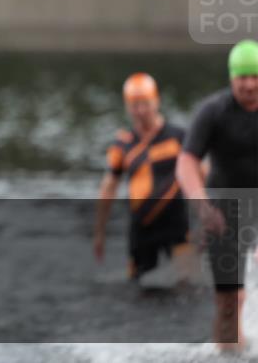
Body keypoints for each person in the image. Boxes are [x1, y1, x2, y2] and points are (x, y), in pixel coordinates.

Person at [177, 39, 258, 352]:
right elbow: (186, 163)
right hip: (223, 210)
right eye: (242, 77)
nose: (249, 85)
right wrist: (202, 206)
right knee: (230, 299)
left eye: (255, 76)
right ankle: (230, 353)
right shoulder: (213, 112)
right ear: (231, 77)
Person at [93, 73, 194, 281]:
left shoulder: (179, 137)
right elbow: (108, 187)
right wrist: (99, 231)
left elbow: (202, 174)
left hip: (175, 224)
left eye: (145, 104)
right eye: (134, 105)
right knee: (137, 289)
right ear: (126, 106)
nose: (140, 111)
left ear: (157, 101)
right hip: (142, 228)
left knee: (188, 286)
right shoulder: (123, 145)